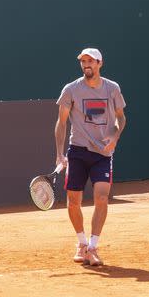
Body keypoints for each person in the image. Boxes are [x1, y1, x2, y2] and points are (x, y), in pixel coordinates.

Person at [54, 48, 126, 267]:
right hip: (77, 151)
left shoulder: (112, 88)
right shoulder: (71, 89)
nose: (86, 64)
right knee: (73, 201)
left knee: (101, 197)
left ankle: (93, 247)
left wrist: (114, 137)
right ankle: (81, 244)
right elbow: (62, 123)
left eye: (90, 61)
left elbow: (121, 119)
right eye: (83, 61)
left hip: (103, 154)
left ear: (99, 63)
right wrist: (59, 154)